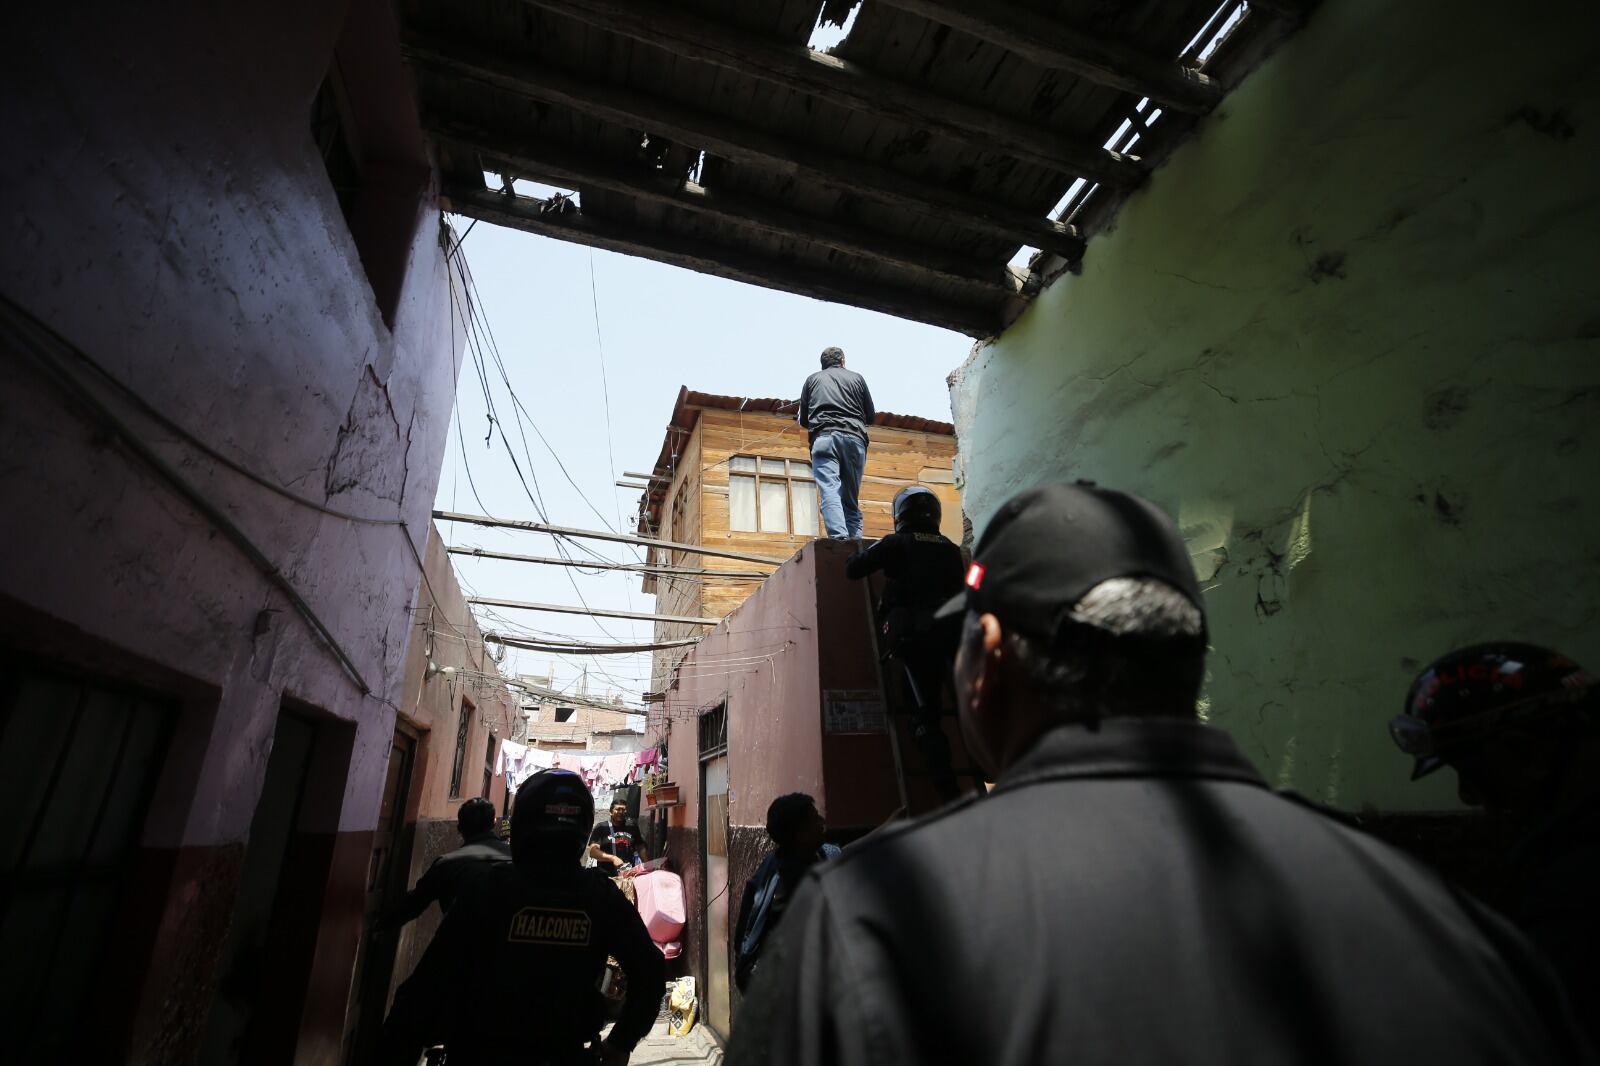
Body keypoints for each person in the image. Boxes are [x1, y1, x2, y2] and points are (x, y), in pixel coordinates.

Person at [729, 481, 1591, 1066]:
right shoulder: (1453, 926)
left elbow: (853, 568)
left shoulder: (872, 921)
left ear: (987, 656)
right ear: (1185, 661)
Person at [379, 770, 665, 1066]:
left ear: (520, 824)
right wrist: (621, 1043)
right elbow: (651, 972)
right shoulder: (601, 896)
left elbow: (423, 990)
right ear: (582, 827)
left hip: (478, 1052)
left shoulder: (487, 889)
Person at [1390, 642, 1600, 1042]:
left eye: (1472, 772)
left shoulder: (1576, 886)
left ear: (1524, 753)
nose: (1467, 795)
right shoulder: (1563, 852)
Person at [847, 485, 966, 800]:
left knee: (924, 714)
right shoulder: (951, 548)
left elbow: (853, 569)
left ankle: (946, 788)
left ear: (901, 514)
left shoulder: (897, 543)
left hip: (915, 637)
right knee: (938, 705)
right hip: (952, 635)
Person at [732, 794, 841, 992]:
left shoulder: (820, 854)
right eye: (814, 818)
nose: (821, 822)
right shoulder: (792, 882)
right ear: (799, 833)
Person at [383, 796, 510, 928]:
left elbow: (414, 904)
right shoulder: (517, 859)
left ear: (460, 828)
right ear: (494, 823)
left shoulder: (447, 865)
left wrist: (381, 925)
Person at [798, 346, 874, 540]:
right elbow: (871, 416)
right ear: (843, 362)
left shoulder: (812, 380)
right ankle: (855, 543)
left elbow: (804, 421)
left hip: (824, 439)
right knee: (850, 499)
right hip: (855, 439)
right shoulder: (857, 378)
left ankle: (839, 539)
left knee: (830, 489)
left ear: (823, 365)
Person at [590, 799, 648, 874]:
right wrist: (612, 858)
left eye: (623, 810)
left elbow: (641, 848)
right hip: (606, 877)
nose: (621, 812)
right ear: (610, 812)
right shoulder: (601, 827)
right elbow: (593, 851)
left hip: (628, 875)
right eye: (618, 809)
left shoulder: (632, 826)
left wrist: (647, 866)